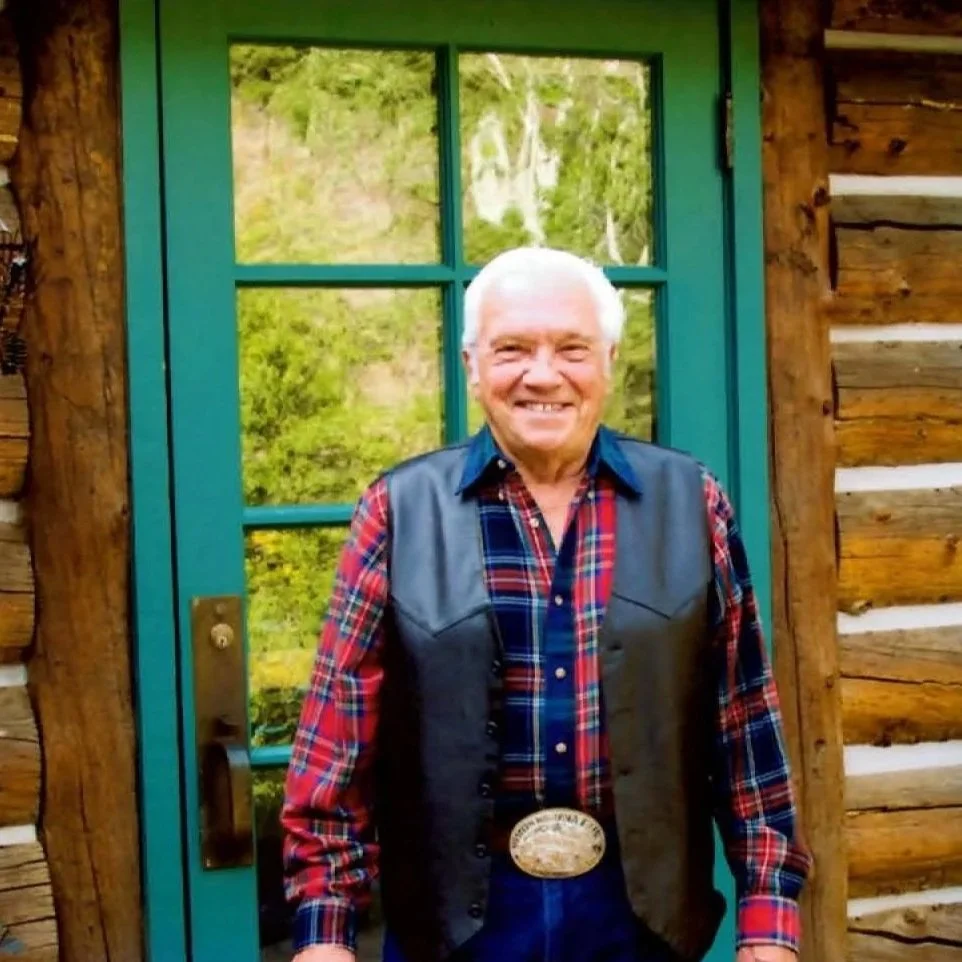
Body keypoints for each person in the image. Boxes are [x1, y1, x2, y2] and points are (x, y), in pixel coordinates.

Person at [281, 247, 812, 962]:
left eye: (571, 349)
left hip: (640, 920)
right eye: (511, 350)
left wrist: (769, 920)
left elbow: (744, 726)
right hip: (458, 925)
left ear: (609, 360)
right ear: (471, 364)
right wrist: (325, 932)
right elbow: (336, 742)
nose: (542, 374)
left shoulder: (692, 501)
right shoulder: (399, 511)